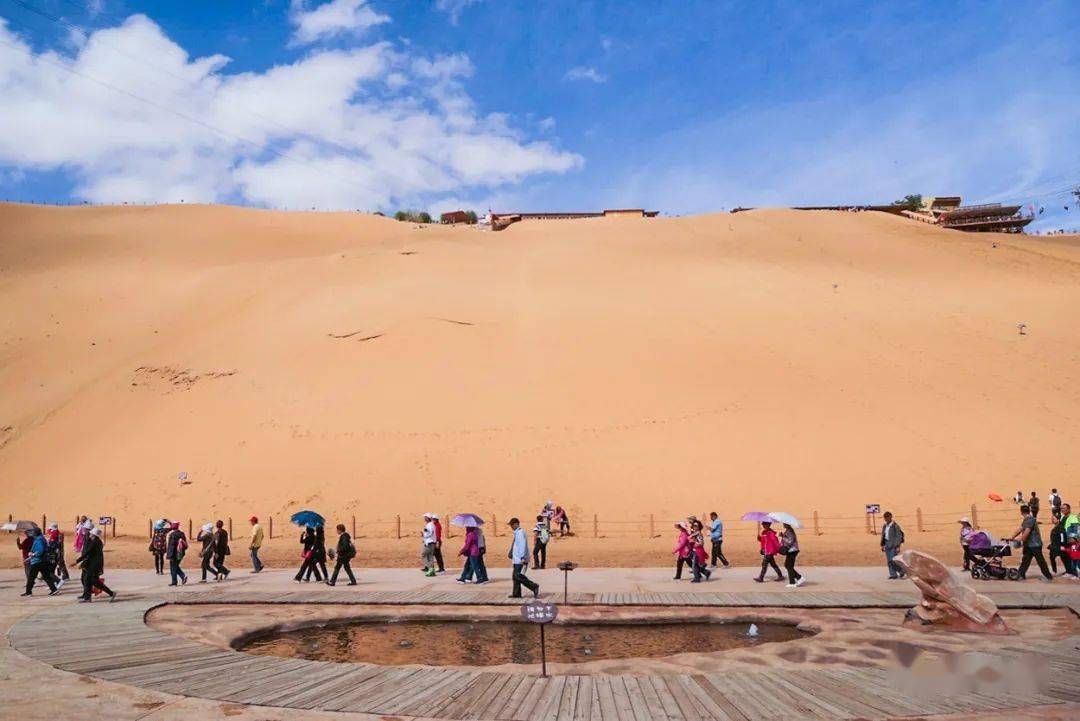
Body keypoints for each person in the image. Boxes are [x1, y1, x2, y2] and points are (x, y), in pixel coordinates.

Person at [1009, 504, 1052, 582]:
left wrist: (1019, 539)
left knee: (1040, 561)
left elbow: (1026, 532)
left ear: (1021, 512)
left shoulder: (1030, 520)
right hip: (1029, 545)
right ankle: (1021, 574)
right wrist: (1011, 537)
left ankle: (1048, 576)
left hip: (1034, 545)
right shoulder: (1027, 519)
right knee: (1025, 560)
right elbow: (1020, 529)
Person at [75, 527, 115, 602]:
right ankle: (111, 593)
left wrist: (77, 561)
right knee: (94, 581)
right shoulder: (95, 541)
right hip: (93, 563)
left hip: (94, 564)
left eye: (91, 533)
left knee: (87, 579)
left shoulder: (95, 542)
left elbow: (87, 553)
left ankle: (87, 597)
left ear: (94, 535)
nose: (90, 534)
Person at [21, 528, 60, 597]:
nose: (32, 534)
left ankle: (28, 592)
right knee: (46, 576)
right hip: (42, 561)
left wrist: (32, 554)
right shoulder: (41, 538)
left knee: (31, 577)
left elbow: (40, 550)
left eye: (33, 532)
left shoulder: (39, 540)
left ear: (36, 533)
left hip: (37, 561)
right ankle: (54, 590)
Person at [507, 517, 539, 598]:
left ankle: (534, 586)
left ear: (516, 524)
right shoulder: (517, 533)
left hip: (520, 559)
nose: (511, 526)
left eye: (512, 525)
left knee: (518, 576)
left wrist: (522, 557)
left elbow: (522, 545)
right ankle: (516, 594)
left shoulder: (520, 533)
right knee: (515, 577)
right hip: (516, 559)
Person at [881, 511, 906, 580]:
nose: (886, 519)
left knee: (893, 560)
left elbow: (899, 536)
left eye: (887, 517)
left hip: (893, 545)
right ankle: (893, 574)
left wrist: (898, 546)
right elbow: (883, 536)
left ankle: (902, 571)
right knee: (889, 561)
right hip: (887, 544)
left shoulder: (895, 526)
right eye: (885, 518)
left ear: (891, 517)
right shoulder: (885, 526)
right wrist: (883, 545)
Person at [165, 521, 188, 586]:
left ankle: (176, 580)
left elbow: (171, 546)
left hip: (173, 554)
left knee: (173, 567)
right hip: (180, 553)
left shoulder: (172, 535)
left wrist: (169, 555)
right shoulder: (182, 533)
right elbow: (185, 545)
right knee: (175, 566)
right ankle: (181, 577)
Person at [780, 523, 804, 587]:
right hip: (791, 550)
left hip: (792, 551)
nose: (783, 524)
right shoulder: (788, 530)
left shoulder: (790, 531)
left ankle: (793, 582)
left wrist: (783, 537)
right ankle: (798, 578)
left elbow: (790, 541)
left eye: (784, 523)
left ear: (787, 524)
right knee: (788, 565)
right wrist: (783, 536)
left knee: (788, 566)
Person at [1048, 512, 1071, 576]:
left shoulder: (1060, 527)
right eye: (1052, 518)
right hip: (1055, 546)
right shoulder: (1056, 527)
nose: (1052, 519)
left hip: (1059, 546)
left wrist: (1062, 546)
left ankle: (1069, 572)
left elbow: (1062, 537)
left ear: (1058, 520)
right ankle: (1055, 571)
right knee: (1052, 557)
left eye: (1054, 518)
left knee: (1065, 558)